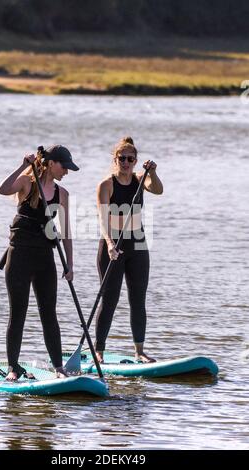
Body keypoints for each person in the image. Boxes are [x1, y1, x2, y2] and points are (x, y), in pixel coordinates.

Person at [0, 145, 79, 380]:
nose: (66, 171)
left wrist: (70, 264)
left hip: (45, 259)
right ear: (51, 163)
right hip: (20, 256)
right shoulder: (27, 183)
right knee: (18, 313)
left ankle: (58, 368)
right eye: (64, 166)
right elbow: (2, 189)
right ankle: (13, 368)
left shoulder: (62, 194)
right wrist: (23, 165)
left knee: (49, 313)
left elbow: (66, 231)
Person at [95, 136, 163, 364]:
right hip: (112, 246)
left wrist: (151, 172)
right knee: (110, 299)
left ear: (136, 161)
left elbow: (158, 190)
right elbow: (102, 219)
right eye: (121, 158)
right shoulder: (106, 184)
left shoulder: (139, 179)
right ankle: (99, 351)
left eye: (130, 159)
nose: (125, 162)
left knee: (138, 299)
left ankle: (139, 351)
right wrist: (110, 244)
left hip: (138, 245)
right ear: (115, 159)